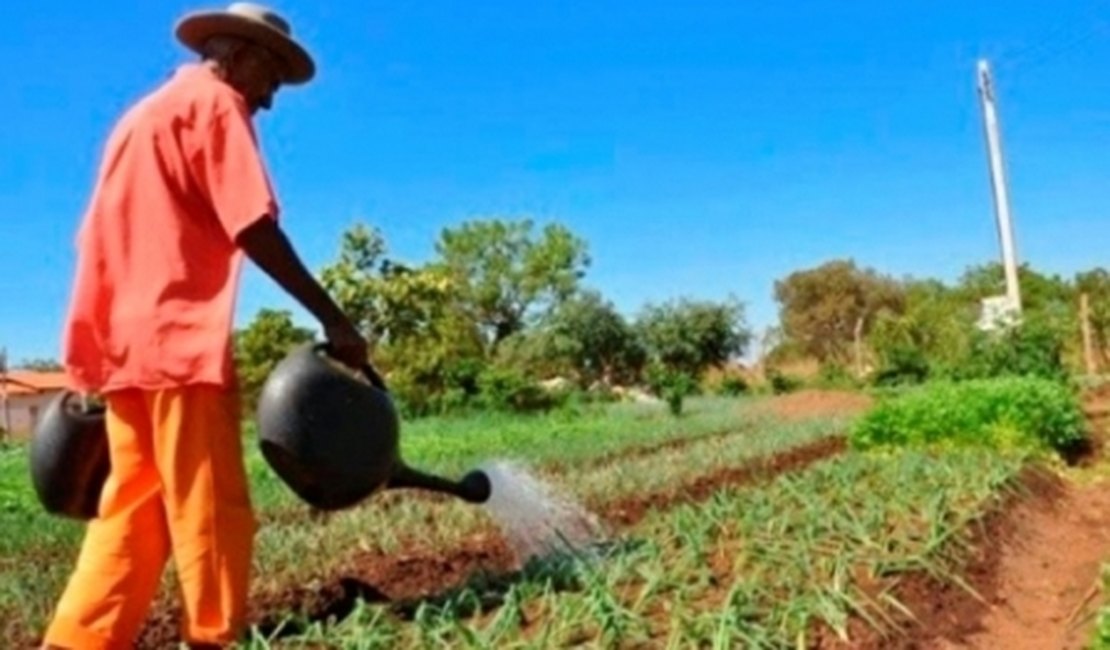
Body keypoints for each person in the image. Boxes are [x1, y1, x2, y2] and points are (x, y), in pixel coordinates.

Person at [42, 3, 372, 648]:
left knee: (133, 509)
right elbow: (251, 224)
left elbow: (93, 236)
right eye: (271, 78)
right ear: (240, 56)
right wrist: (334, 318)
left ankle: (75, 640)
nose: (269, 100)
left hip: (122, 344)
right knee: (210, 506)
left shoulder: (140, 118)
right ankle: (215, 638)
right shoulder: (216, 105)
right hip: (177, 341)